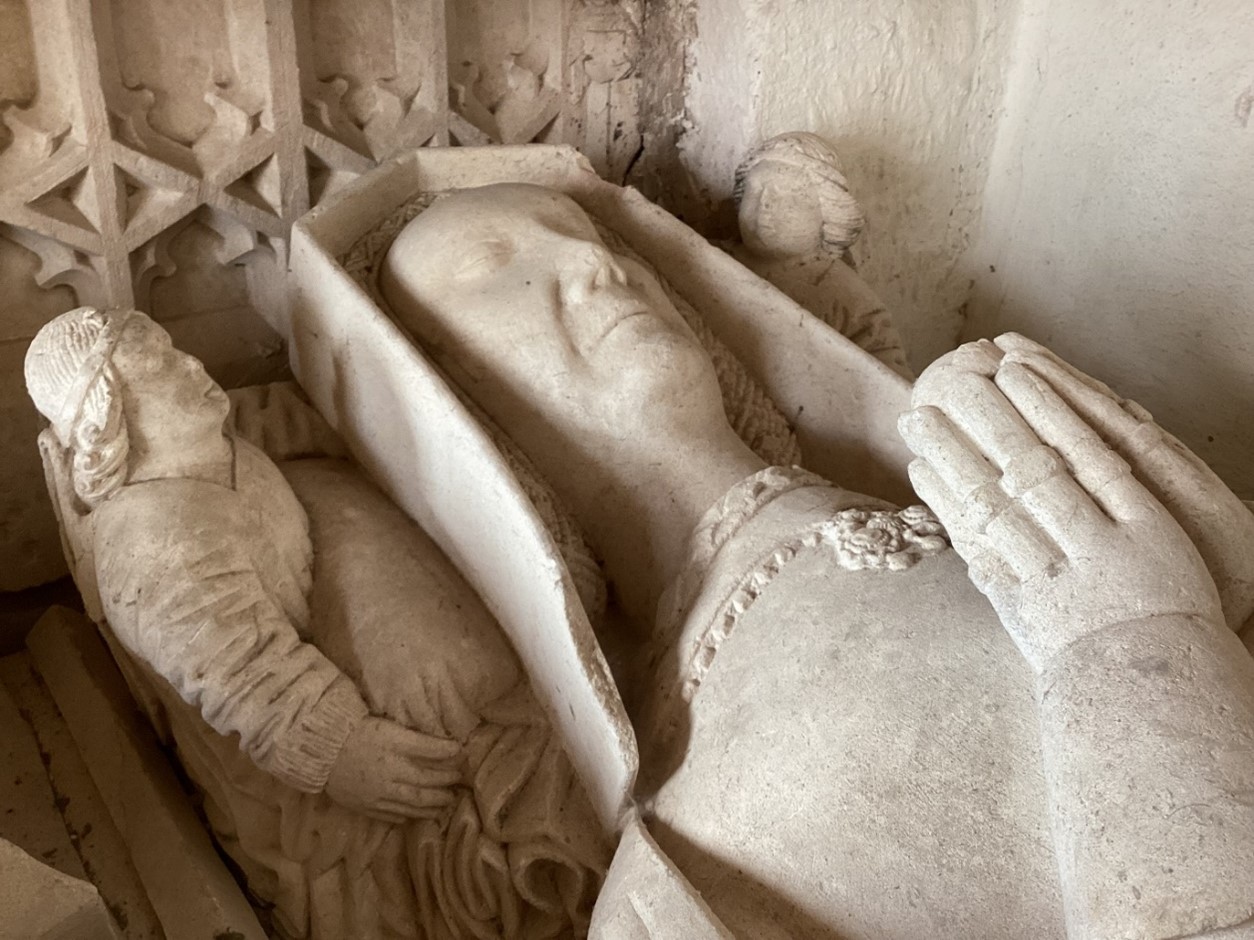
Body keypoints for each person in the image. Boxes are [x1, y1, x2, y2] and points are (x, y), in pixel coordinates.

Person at [381, 182, 1254, 939]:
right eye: (492, 265)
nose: (591, 265)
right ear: (449, 403)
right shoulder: (680, 872)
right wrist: (1138, 654)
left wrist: (1170, 611)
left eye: (590, 235)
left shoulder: (1009, 477)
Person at [25, 307, 607, 939]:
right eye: (161, 367)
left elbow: (276, 420)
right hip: (298, 767)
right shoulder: (154, 545)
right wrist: (343, 752)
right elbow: (245, 678)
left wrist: (385, 427)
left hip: (315, 615)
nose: (190, 365)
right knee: (459, 784)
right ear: (115, 419)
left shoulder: (200, 442)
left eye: (176, 349)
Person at [730, 132, 913, 378]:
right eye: (755, 191)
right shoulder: (707, 254)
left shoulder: (849, 300)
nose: (766, 205)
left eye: (790, 196)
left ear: (829, 215)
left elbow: (890, 387)